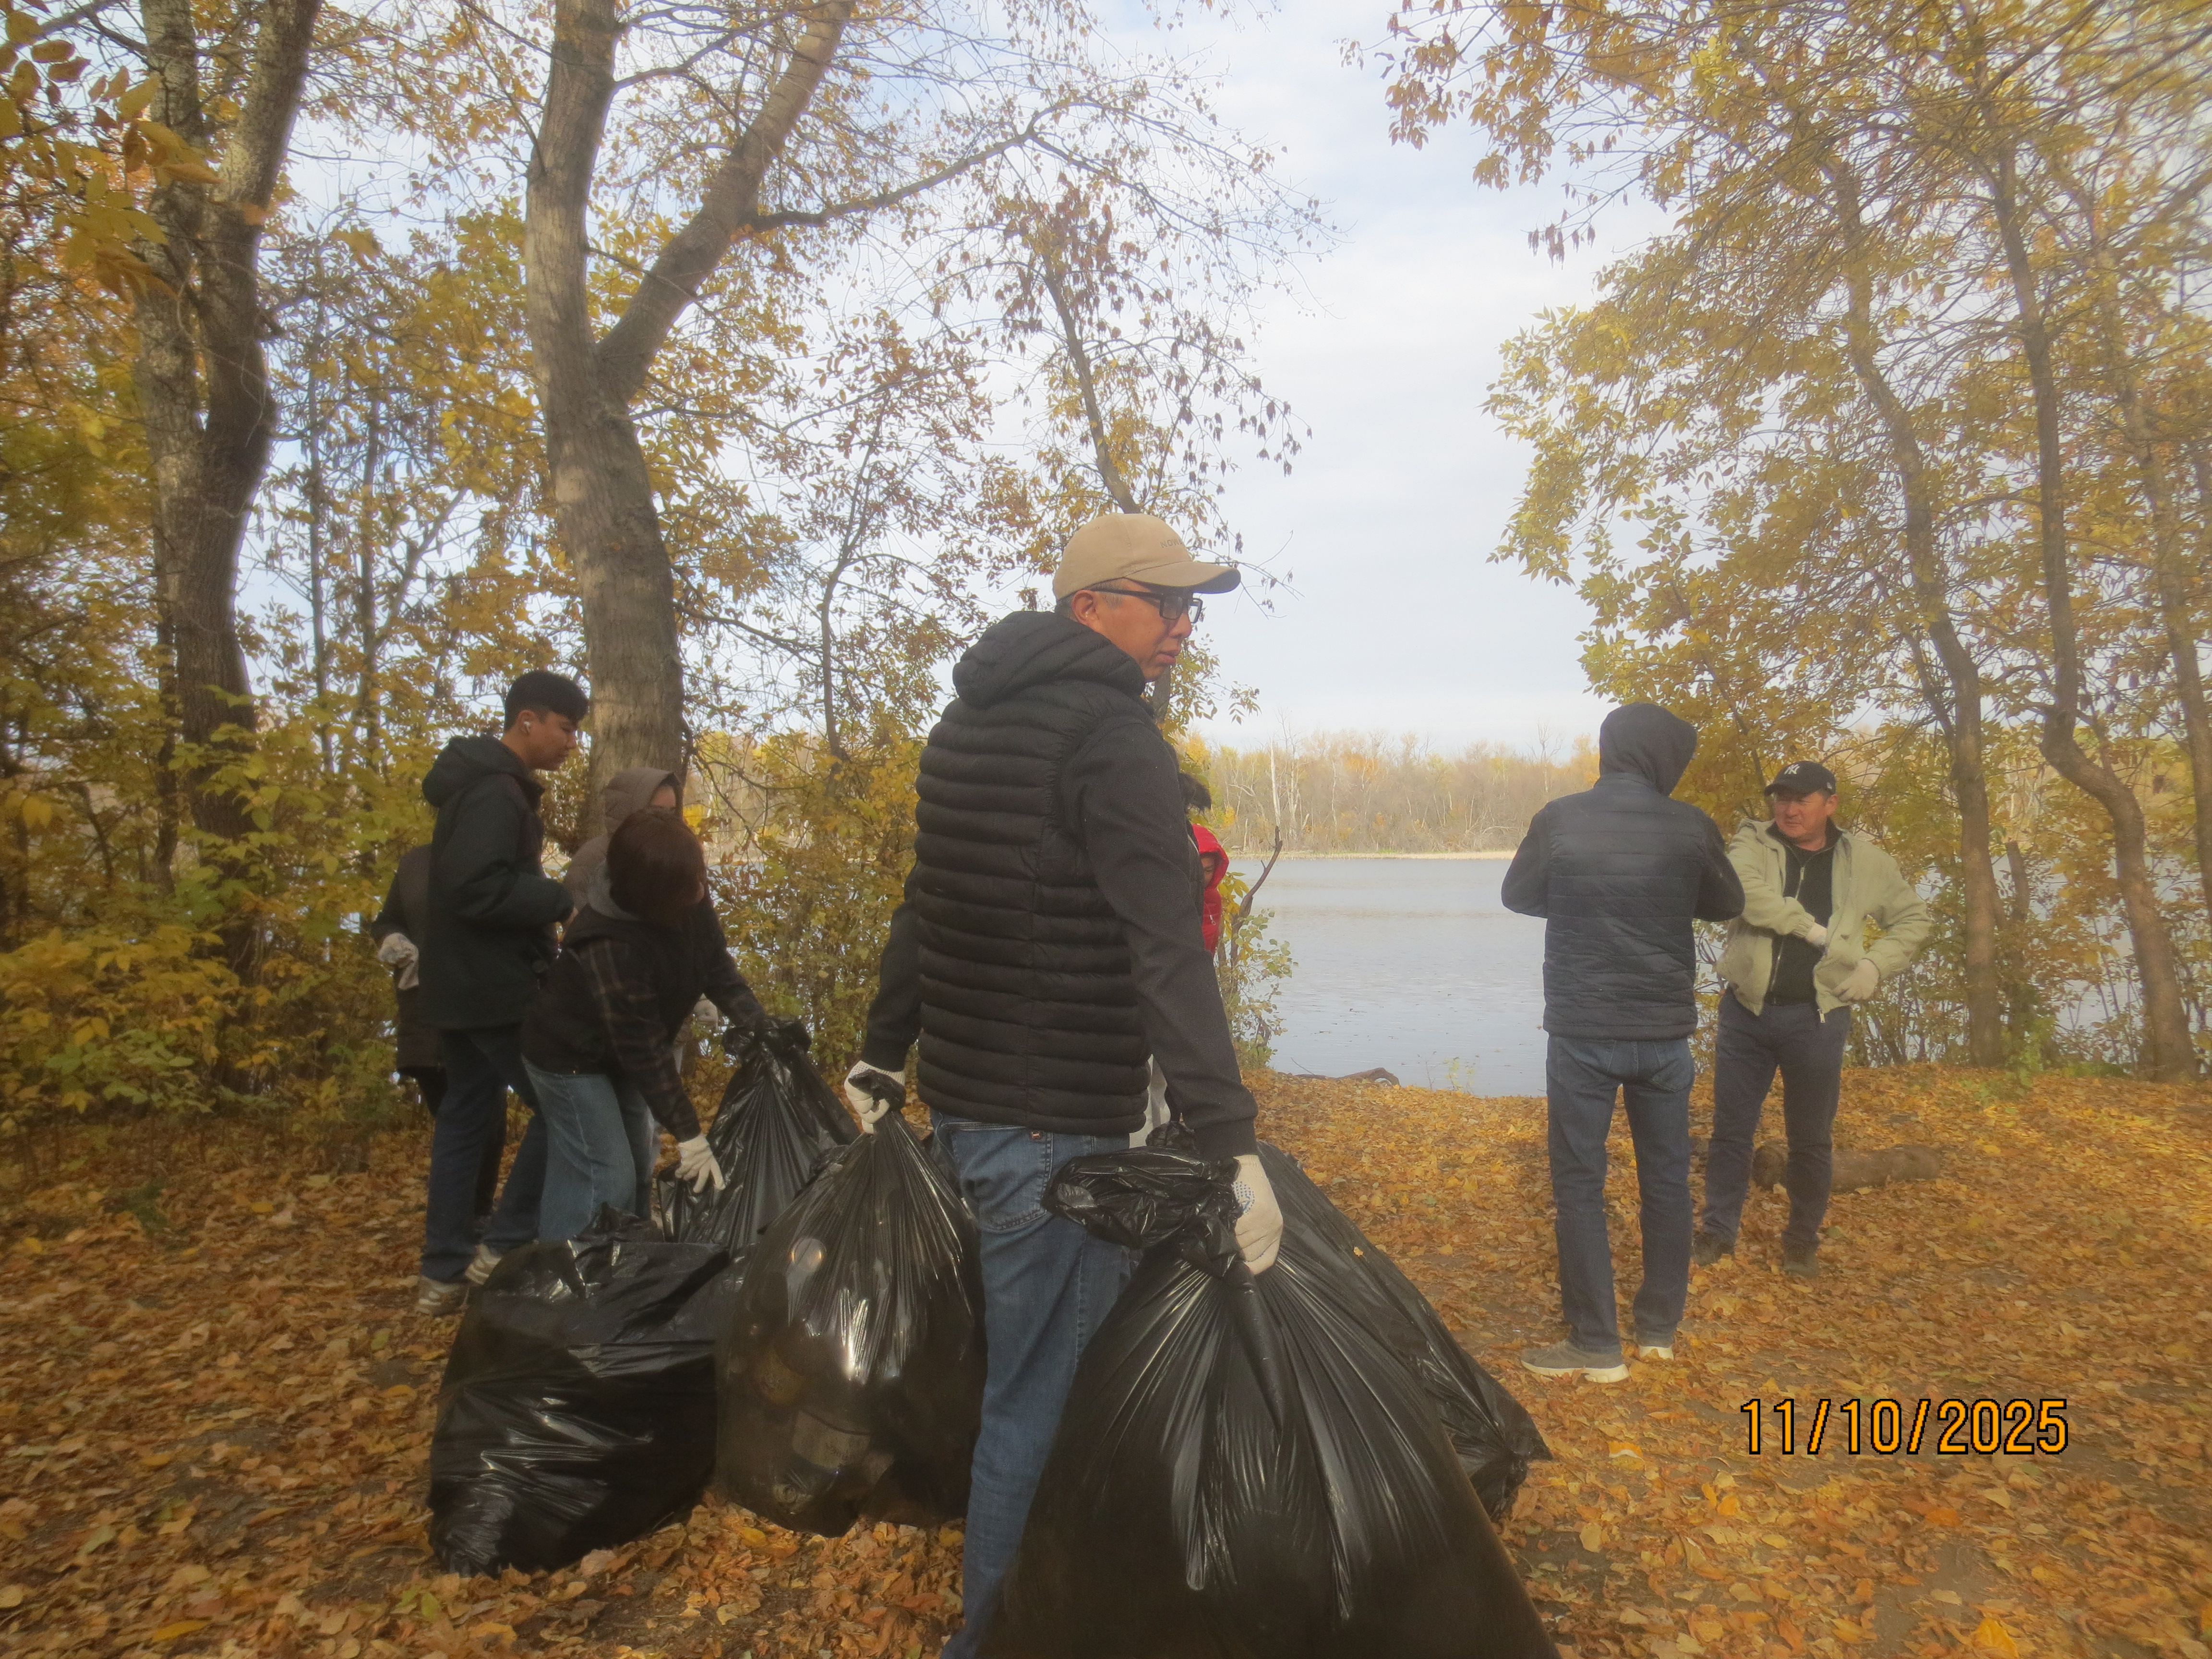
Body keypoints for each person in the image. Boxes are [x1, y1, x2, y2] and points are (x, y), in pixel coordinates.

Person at [840, 512, 1280, 1659]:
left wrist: (886, 1046)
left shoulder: (963, 723)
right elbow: (1164, 943)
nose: (1185, 626)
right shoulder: (1112, 736)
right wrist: (1230, 1138)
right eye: (1165, 602)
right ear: (1091, 606)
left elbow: (925, 899)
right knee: (1045, 1407)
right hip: (1062, 1129)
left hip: (982, 1110)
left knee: (1028, 1385)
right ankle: (995, 1638)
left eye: (1193, 607)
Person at [1502, 703, 1743, 1383]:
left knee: (1580, 1185)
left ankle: (1596, 1344)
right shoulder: (1691, 826)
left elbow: (1518, 895)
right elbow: (1728, 903)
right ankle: (1659, 1329)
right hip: (1663, 1036)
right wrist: (1662, 896)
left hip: (1581, 1033)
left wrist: (1581, 898)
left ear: (1611, 750)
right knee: (1666, 1181)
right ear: (1662, 757)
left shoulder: (1558, 819)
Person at [1696, 760, 1931, 1279]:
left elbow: (1914, 919)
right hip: (1748, 1013)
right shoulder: (1753, 842)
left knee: (1811, 1139)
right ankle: (1718, 1233)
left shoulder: (1867, 861)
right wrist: (1809, 929)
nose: (1789, 808)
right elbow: (1745, 895)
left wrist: (1875, 965)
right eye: (1781, 797)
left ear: (1832, 803)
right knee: (1731, 1133)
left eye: (1802, 798)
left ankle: (1801, 1243)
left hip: (1818, 1018)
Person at [412, 670, 588, 1316]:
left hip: (455, 985)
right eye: (567, 729)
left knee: (466, 1117)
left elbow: (468, 885)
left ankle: (443, 1276)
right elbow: (475, 889)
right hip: (491, 988)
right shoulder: (495, 793)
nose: (573, 743)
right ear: (528, 721)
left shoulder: (482, 786)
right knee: (564, 1109)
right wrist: (559, 896)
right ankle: (503, 1247)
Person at [522, 808, 776, 1238]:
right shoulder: (609, 942)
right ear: (650, 892)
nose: (699, 892)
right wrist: (690, 1136)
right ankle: (570, 1278)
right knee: (607, 1174)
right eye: (688, 886)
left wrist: (759, 1025)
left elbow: (715, 965)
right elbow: (644, 1050)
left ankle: (628, 1260)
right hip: (568, 1057)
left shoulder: (684, 887)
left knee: (639, 1163)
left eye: (700, 878)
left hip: (619, 1052)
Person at [371, 846, 500, 1225]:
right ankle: (455, 1224)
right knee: (450, 1120)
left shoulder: (498, 856)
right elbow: (386, 920)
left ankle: (475, 1217)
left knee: (488, 1122)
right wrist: (394, 941)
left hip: (483, 1011)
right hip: (424, 1016)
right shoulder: (414, 863)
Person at [561, 765, 681, 913]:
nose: (667, 820)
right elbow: (581, 925)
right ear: (633, 810)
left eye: (672, 812)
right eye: (658, 811)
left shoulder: (674, 857)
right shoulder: (594, 858)